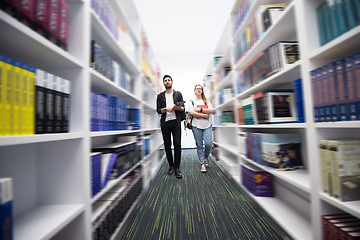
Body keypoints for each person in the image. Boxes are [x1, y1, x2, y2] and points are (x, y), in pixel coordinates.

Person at [156, 75, 185, 178]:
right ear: (163, 83)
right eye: (165, 81)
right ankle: (171, 166)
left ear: (172, 82)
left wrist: (177, 107)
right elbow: (158, 110)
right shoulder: (160, 96)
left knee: (177, 145)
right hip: (165, 124)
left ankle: (177, 167)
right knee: (167, 146)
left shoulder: (178, 94)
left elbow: (183, 108)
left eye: (169, 80)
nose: (167, 82)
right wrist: (166, 109)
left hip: (176, 122)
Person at [189, 84, 213, 173]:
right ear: (194, 91)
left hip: (207, 125)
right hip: (196, 125)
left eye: (200, 89)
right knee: (199, 145)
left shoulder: (207, 101)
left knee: (208, 143)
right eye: (197, 89)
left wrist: (199, 110)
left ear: (202, 91)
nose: (198, 90)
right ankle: (202, 163)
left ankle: (206, 156)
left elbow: (211, 111)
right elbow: (191, 112)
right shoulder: (191, 101)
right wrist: (203, 115)